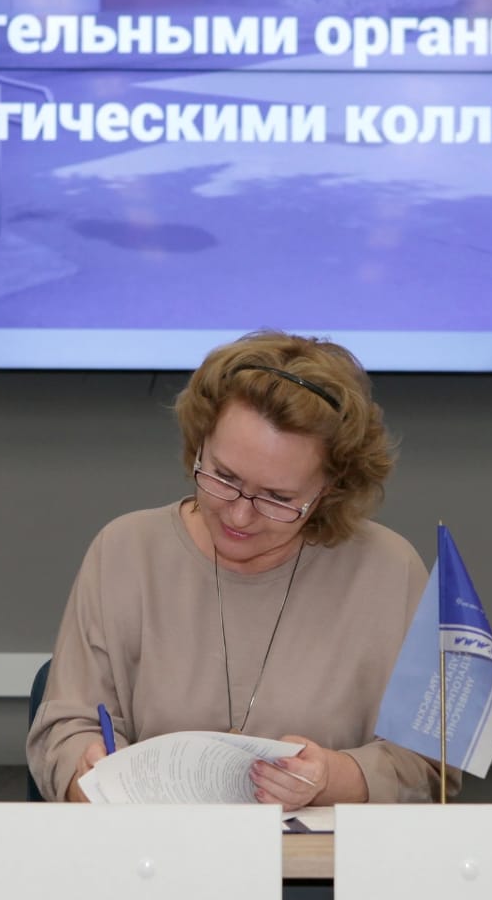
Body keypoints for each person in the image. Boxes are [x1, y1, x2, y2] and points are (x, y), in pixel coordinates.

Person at [27, 331, 455, 807]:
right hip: (153, 849)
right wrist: (85, 774)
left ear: (330, 490)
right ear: (199, 445)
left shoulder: (388, 572)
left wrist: (334, 778)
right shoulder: (125, 552)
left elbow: (430, 767)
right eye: (223, 477)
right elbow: (65, 729)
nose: (238, 515)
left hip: (324, 855)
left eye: (278, 498)